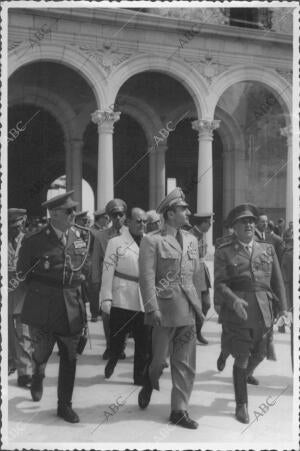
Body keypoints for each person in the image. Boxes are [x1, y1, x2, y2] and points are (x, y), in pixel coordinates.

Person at [17, 191, 90, 423]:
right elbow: (22, 273)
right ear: (55, 214)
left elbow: (83, 270)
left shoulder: (79, 237)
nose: (74, 214)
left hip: (71, 305)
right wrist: (42, 292)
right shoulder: (34, 240)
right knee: (42, 352)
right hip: (44, 307)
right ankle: (38, 373)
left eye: (74, 210)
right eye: (69, 211)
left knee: (70, 357)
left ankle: (64, 405)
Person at [214, 203, 287, 424]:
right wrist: (233, 299)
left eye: (251, 221)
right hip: (239, 312)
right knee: (243, 357)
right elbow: (219, 283)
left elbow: (278, 282)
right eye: (243, 221)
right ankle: (241, 405)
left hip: (263, 310)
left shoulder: (267, 249)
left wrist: (284, 309)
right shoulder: (224, 251)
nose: (248, 224)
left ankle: (235, 365)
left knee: (262, 353)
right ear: (234, 227)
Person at [138, 188, 203, 429]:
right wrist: (151, 307)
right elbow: (146, 277)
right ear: (170, 213)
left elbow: (195, 274)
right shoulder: (152, 240)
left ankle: (179, 410)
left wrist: (200, 305)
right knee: (158, 361)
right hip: (163, 312)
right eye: (183, 208)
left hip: (188, 310)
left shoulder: (192, 240)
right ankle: (149, 378)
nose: (188, 212)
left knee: (184, 363)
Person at [100, 208, 151, 384]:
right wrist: (106, 297)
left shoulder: (150, 242)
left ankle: (139, 377)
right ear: (128, 222)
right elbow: (107, 271)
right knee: (117, 338)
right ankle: (113, 357)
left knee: (143, 341)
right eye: (138, 221)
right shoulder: (115, 242)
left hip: (143, 297)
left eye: (145, 221)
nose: (142, 225)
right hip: (121, 296)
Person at [91, 199, 127, 358]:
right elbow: (96, 260)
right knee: (107, 314)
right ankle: (109, 346)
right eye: (114, 215)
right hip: (109, 280)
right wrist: (95, 282)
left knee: (124, 314)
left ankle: (121, 347)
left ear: (125, 216)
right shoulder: (101, 236)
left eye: (121, 214)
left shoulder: (132, 233)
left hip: (127, 280)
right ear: (110, 217)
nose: (118, 218)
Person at [8, 208, 32, 387]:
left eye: (16, 226)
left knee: (23, 334)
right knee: (9, 334)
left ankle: (25, 373)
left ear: (22, 223)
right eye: (10, 227)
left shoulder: (28, 241)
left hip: (23, 293)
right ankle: (11, 363)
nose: (13, 230)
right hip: (6, 293)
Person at [189, 213, 213, 345]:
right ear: (201, 223)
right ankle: (192, 334)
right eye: (208, 223)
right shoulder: (189, 235)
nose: (210, 225)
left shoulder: (203, 234)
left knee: (207, 304)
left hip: (203, 274)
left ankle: (198, 331)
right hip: (193, 275)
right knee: (194, 307)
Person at [88, 209, 110, 322]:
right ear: (100, 218)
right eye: (105, 218)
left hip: (105, 264)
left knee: (105, 288)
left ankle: (102, 310)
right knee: (95, 289)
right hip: (94, 264)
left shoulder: (105, 231)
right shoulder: (91, 231)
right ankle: (94, 313)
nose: (108, 220)